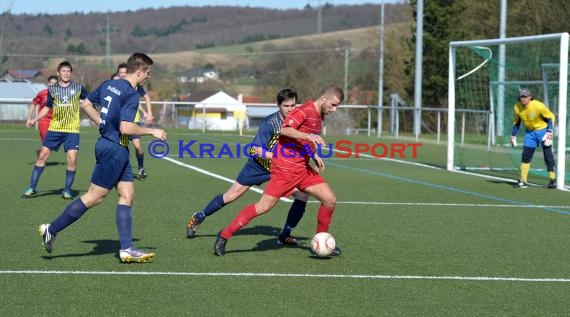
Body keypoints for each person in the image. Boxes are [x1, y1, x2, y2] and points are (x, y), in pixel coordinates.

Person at [38, 52, 166, 263]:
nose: (148, 77)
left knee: (127, 195)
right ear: (140, 70)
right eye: (148, 73)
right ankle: (51, 229)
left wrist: (101, 123)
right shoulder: (132, 94)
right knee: (93, 197)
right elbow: (125, 127)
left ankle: (126, 248)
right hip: (114, 149)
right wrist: (152, 131)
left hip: (116, 148)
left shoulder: (108, 84)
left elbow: (86, 104)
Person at [213, 84, 344, 256]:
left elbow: (301, 140)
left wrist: (313, 154)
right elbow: (285, 130)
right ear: (324, 98)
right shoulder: (304, 111)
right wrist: (310, 137)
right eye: (333, 105)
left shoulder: (320, 115)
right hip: (284, 169)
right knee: (263, 207)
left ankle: (322, 240)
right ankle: (224, 235)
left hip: (302, 169)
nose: (334, 109)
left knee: (330, 200)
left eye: (337, 106)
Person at [186, 89, 309, 246]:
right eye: (286, 105)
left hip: (281, 169)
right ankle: (200, 216)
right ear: (278, 105)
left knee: (302, 195)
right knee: (231, 196)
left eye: (293, 105)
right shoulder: (269, 123)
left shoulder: (297, 122)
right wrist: (279, 157)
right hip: (258, 166)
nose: (291, 109)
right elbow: (255, 150)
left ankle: (285, 235)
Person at [22, 62, 89, 200]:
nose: (66, 73)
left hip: (72, 130)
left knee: (72, 158)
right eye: (63, 71)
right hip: (55, 128)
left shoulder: (78, 88)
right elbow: (46, 108)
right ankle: (32, 188)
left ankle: (67, 190)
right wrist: (35, 119)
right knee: (42, 156)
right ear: (58, 73)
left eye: (68, 71)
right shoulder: (52, 89)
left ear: (71, 73)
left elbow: (89, 102)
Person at [510, 88, 556, 189]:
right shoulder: (517, 107)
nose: (523, 99)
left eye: (525, 97)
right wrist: (513, 136)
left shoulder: (537, 105)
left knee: (547, 154)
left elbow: (550, 117)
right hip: (530, 133)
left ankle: (553, 179)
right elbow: (516, 122)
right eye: (522, 96)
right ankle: (523, 181)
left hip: (542, 130)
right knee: (526, 156)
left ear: (530, 97)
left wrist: (549, 132)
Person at [117, 62, 153, 180]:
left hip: (133, 122)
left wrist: (148, 113)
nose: (122, 74)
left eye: (124, 72)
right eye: (120, 72)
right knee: (121, 148)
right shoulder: (116, 86)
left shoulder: (136, 86)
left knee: (137, 147)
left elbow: (145, 98)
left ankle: (141, 167)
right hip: (119, 122)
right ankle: (120, 171)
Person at [26, 75, 59, 156]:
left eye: (55, 84)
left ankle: (40, 152)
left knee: (51, 146)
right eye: (51, 83)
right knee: (48, 144)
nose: (53, 85)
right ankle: (40, 164)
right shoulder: (42, 93)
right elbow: (33, 104)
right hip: (44, 120)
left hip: (55, 122)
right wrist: (29, 118)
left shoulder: (60, 95)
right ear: (48, 83)